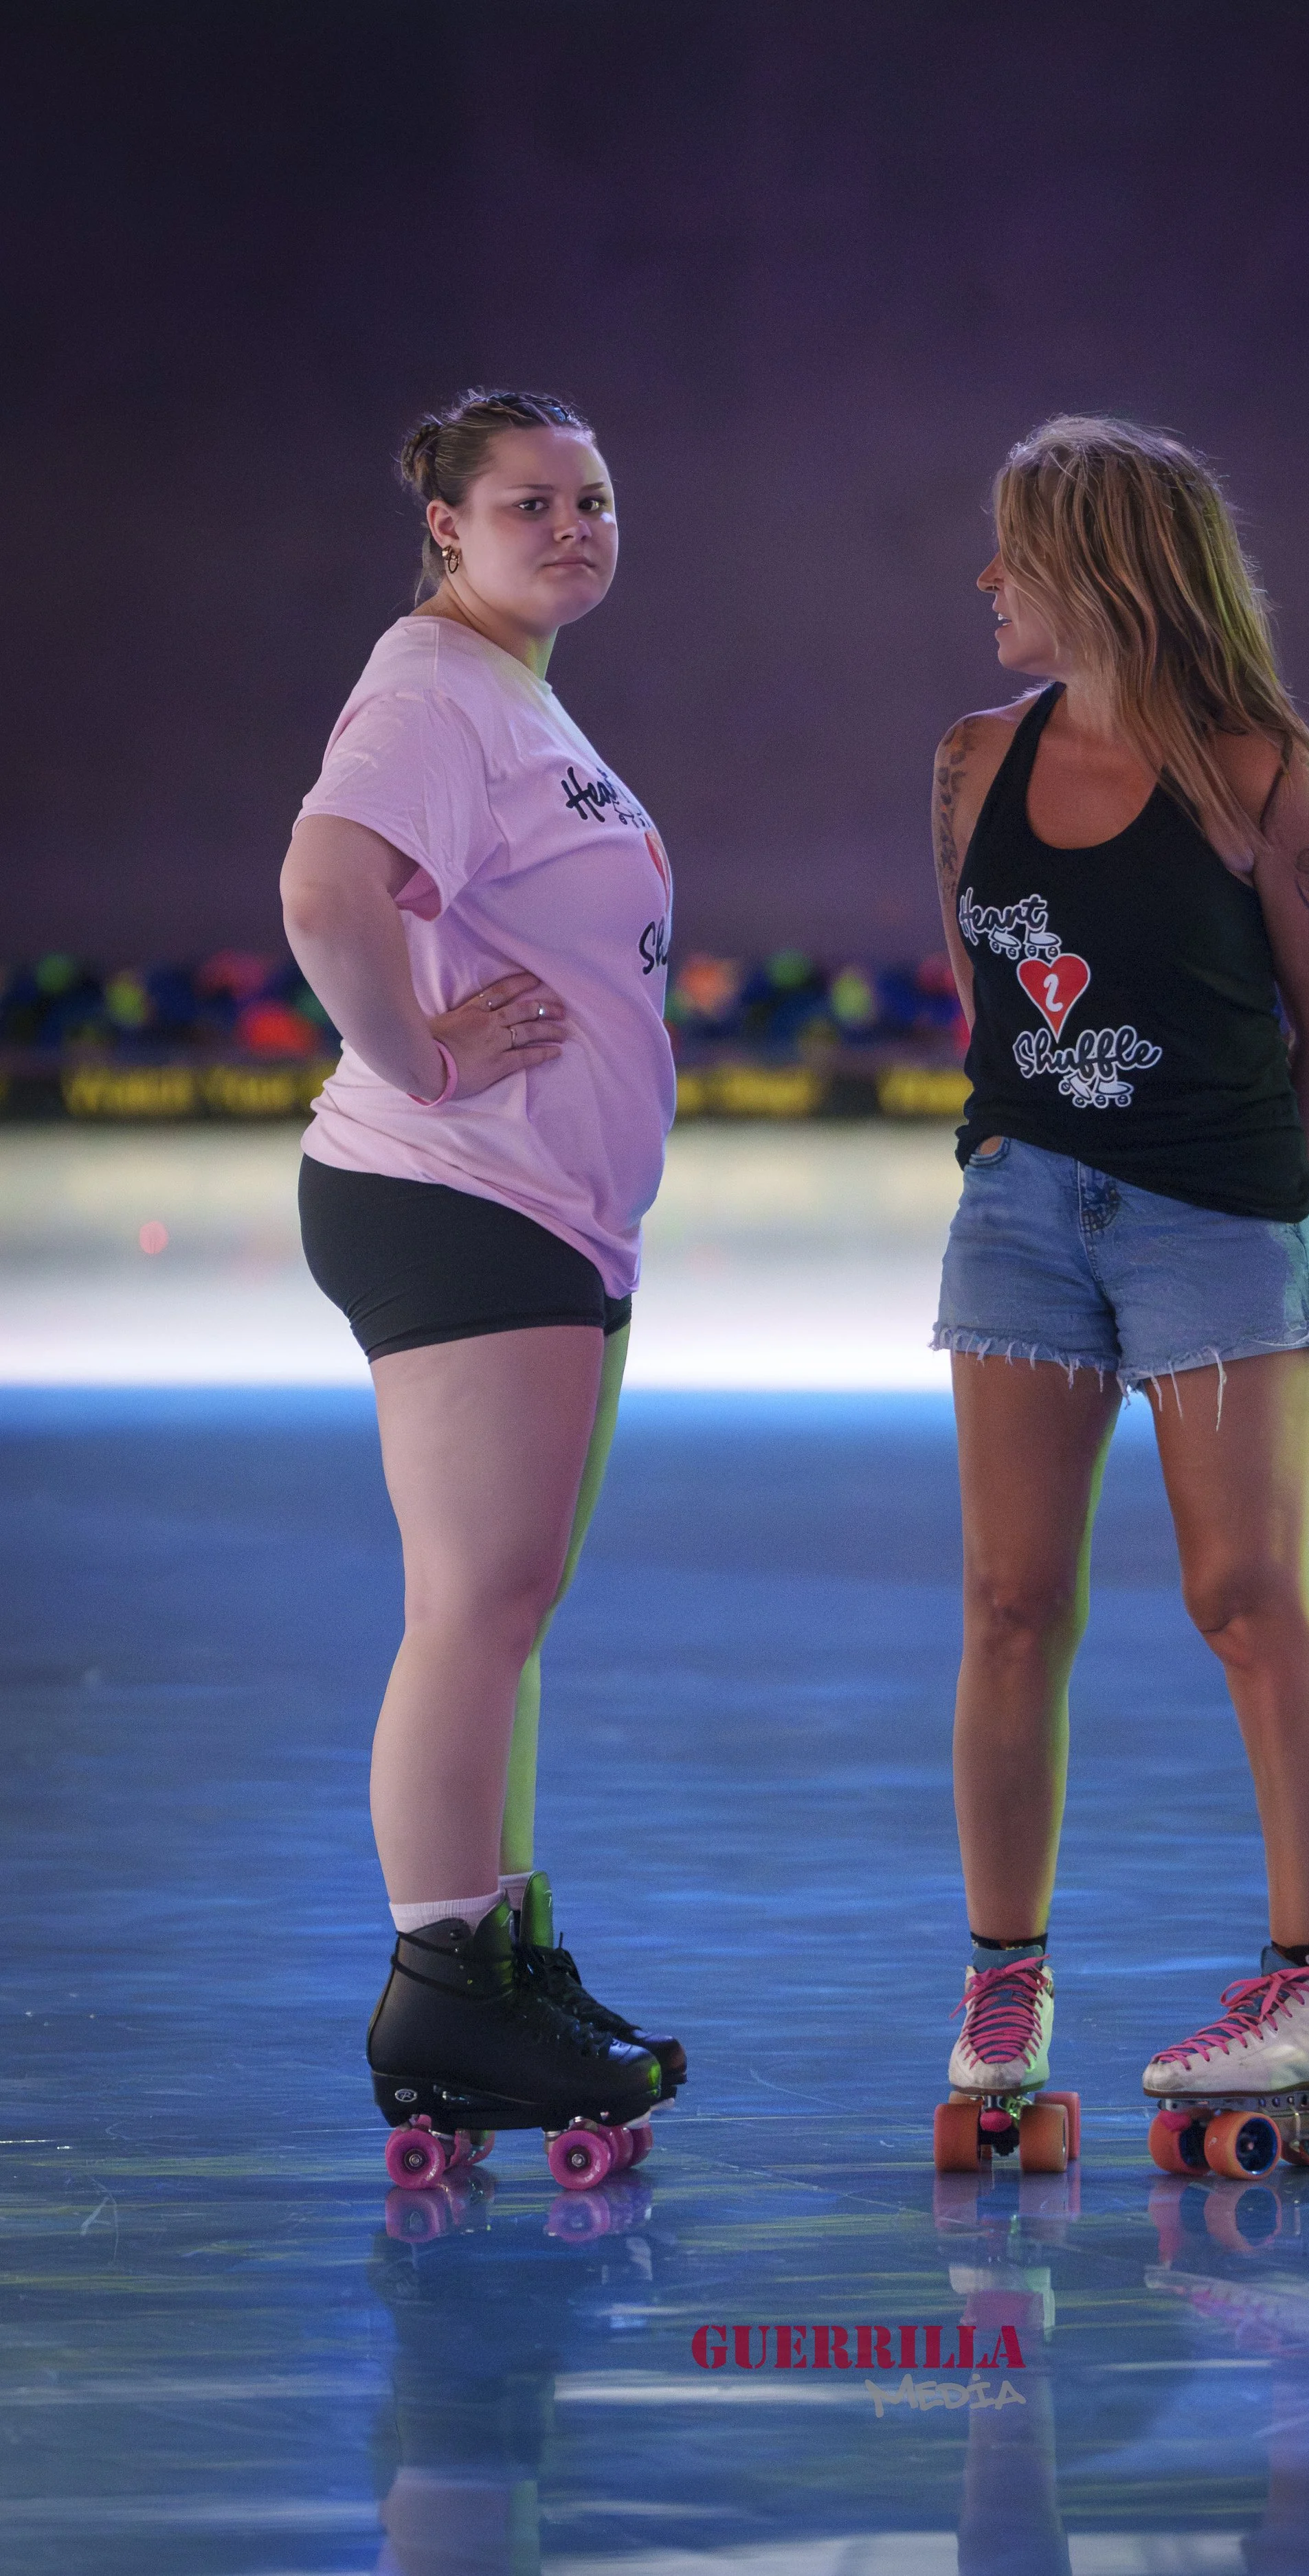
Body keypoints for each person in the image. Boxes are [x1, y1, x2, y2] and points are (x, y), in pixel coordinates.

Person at [930, 415, 1309, 2132]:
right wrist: (1018, 1161)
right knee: (1008, 1603)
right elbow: (982, 992)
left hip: (1214, 1215)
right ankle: (1002, 1989)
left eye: (1016, 550)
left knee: (1245, 1596)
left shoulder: (1267, 778)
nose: (986, 579)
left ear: (1102, 568)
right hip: (1019, 1216)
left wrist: (1252, 1211)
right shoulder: (971, 762)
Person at [281, 387, 684, 2167]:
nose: (575, 528)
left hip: (543, 1215)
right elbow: (326, 891)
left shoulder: (511, 691)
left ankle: (501, 1954)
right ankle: (443, 1984)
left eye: (594, 500)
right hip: (462, 1198)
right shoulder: (435, 686)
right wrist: (423, 1059)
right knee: (472, 1605)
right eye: (532, 502)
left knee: (504, 1606)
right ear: (445, 524)